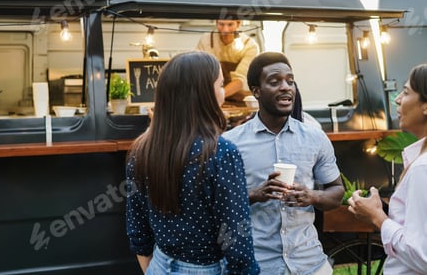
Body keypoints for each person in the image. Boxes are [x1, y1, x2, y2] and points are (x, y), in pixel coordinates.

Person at [125, 51, 260, 275]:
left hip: (159, 264)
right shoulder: (222, 153)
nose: (223, 94)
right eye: (220, 85)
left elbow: (137, 229)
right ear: (203, 93)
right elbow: (236, 239)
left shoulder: (141, 150)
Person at [223, 51, 344, 275]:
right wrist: (254, 194)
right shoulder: (231, 144)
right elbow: (216, 201)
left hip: (310, 264)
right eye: (275, 81)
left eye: (290, 81)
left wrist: (312, 196)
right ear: (256, 91)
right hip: (257, 265)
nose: (286, 87)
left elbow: (337, 191)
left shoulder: (315, 137)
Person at [347, 63, 427, 274]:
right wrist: (382, 210)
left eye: (406, 92)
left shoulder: (423, 168)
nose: (397, 99)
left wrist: (377, 218)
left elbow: (422, 255)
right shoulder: (418, 158)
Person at [196, 19, 260, 105]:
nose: (225, 30)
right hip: (211, 96)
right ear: (216, 22)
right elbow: (197, 71)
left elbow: (240, 79)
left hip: (240, 99)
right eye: (221, 24)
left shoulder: (250, 46)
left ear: (238, 24)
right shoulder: (206, 40)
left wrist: (217, 96)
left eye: (230, 25)